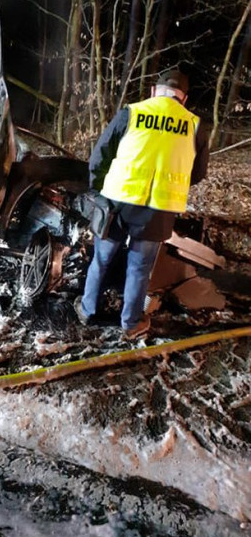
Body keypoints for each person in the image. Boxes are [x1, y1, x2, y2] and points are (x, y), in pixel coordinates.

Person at [74, 68, 209, 339]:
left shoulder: (132, 112)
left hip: (117, 202)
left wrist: (97, 190)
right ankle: (131, 324)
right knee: (139, 268)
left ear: (153, 92)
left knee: (101, 259)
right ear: (183, 99)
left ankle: (88, 311)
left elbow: (100, 154)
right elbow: (198, 173)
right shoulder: (194, 125)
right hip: (157, 210)